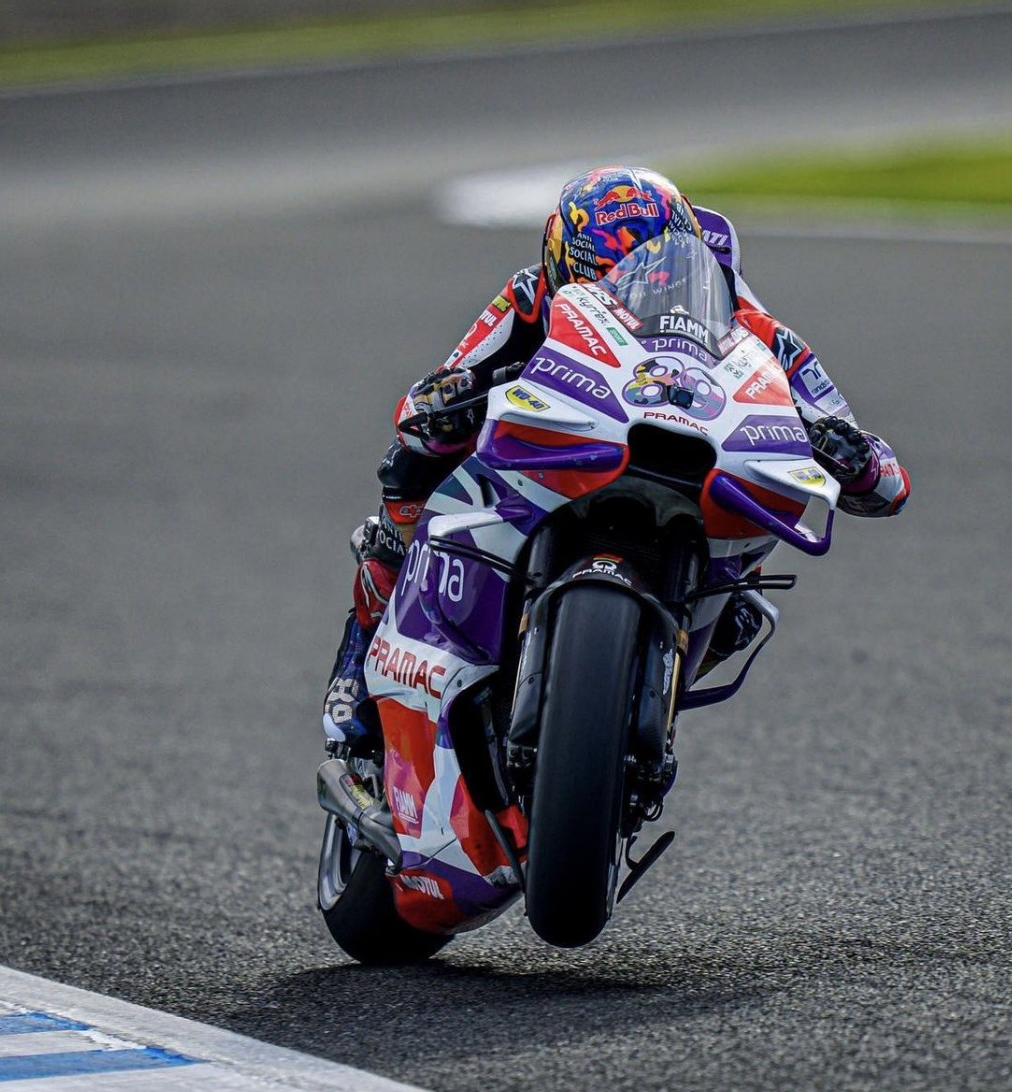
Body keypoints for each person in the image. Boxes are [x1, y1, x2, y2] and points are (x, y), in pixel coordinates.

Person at [322, 165, 910, 758]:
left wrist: (851, 454)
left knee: (742, 612)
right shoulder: (529, 297)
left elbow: (884, 479)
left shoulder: (752, 326)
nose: (623, 281)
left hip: (689, 466)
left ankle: (639, 696)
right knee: (410, 465)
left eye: (646, 263)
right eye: (599, 270)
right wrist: (445, 401)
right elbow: (433, 393)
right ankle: (361, 661)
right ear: (563, 265)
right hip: (561, 454)